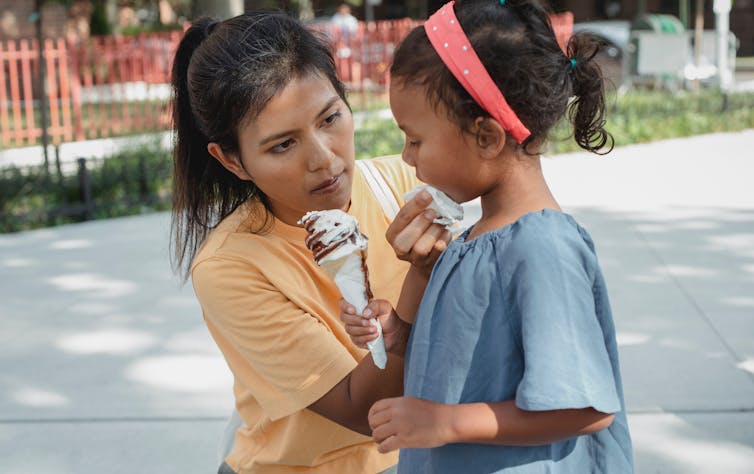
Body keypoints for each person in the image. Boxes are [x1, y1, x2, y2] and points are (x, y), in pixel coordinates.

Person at [340, 0, 634, 472]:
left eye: (415, 139)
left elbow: (587, 407)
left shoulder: (542, 248)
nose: (407, 157)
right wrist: (401, 334)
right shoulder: (473, 238)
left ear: (487, 137)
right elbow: (470, 362)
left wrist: (447, 422)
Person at [169, 11, 449, 474]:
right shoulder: (231, 266)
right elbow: (363, 414)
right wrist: (420, 280)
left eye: (330, 117)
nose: (323, 158)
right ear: (232, 160)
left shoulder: (402, 187)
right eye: (282, 145)